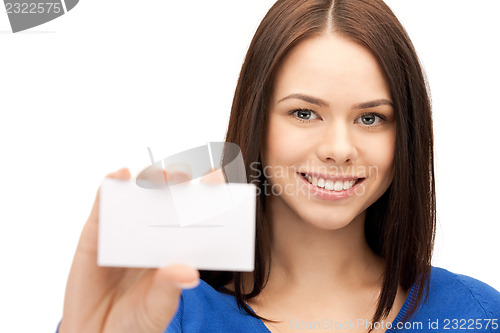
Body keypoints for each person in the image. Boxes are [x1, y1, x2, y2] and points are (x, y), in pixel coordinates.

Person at [59, 0, 500, 332]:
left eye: (371, 118)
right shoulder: (165, 312)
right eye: (304, 113)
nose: (339, 149)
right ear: (257, 119)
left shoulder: (476, 316)